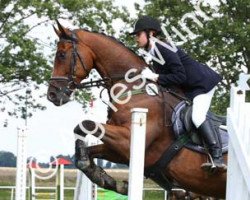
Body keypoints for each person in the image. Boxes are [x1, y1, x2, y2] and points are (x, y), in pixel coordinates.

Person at [129, 16, 227, 171]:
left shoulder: (163, 48)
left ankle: (218, 158)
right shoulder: (154, 52)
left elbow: (179, 76)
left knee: (197, 116)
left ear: (151, 33)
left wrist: (155, 77)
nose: (136, 38)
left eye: (138, 34)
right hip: (190, 88)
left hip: (202, 84)